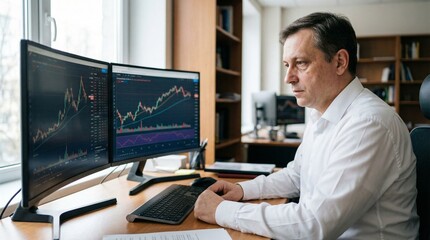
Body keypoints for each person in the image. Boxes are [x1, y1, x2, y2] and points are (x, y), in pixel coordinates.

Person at [194, 12, 419, 239]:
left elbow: (315, 224)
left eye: (300, 63)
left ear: (340, 62)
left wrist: (221, 210)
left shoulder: (369, 124)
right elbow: (297, 175)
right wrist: (242, 190)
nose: (288, 78)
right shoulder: (320, 112)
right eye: (286, 65)